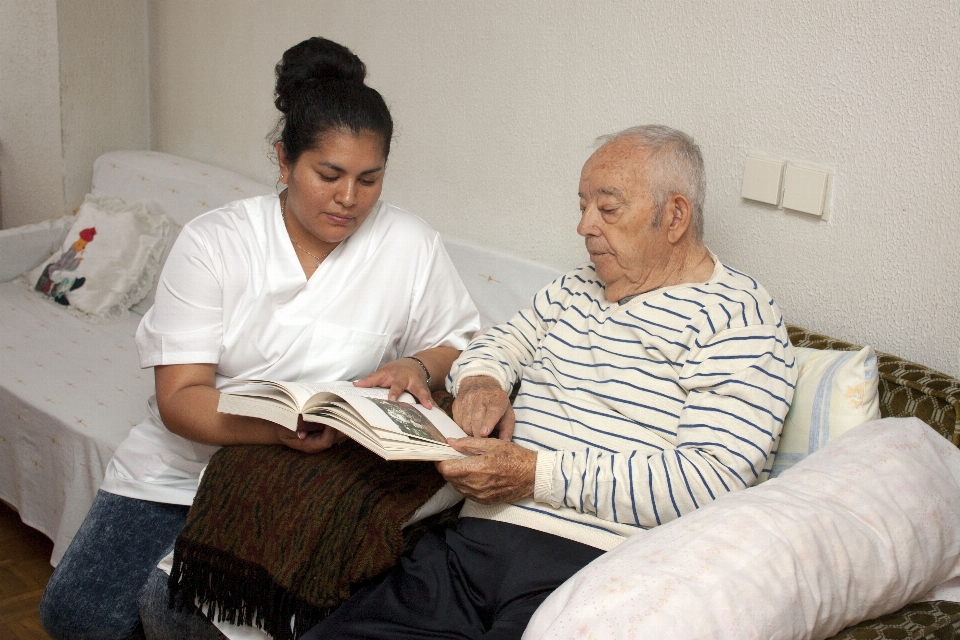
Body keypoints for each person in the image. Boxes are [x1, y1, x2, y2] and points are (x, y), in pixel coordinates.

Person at [38, 37, 479, 640]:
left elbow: (455, 342)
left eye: (369, 179)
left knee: (170, 612)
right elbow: (181, 398)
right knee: (76, 615)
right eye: (329, 175)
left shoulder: (409, 243)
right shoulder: (215, 243)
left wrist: (416, 365)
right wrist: (274, 427)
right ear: (283, 161)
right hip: (184, 464)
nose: (349, 199)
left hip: (301, 477)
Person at [303, 125, 798, 639]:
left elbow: (709, 482)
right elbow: (498, 342)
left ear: (674, 216)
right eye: (582, 205)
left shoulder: (737, 317)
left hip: (599, 574)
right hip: (472, 543)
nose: (584, 226)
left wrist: (535, 475)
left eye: (607, 209)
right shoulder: (576, 287)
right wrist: (481, 382)